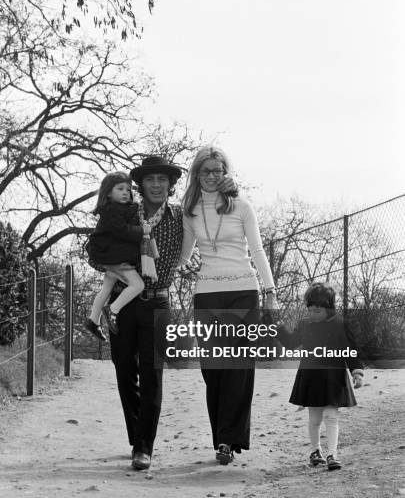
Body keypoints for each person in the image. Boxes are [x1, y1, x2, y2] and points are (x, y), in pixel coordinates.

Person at [108, 156, 237, 471]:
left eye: (161, 180)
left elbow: (215, 212)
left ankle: (143, 447)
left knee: (152, 375)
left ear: (170, 185)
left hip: (158, 303)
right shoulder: (123, 213)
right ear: (141, 185)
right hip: (123, 301)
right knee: (125, 371)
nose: (155, 185)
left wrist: (232, 188)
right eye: (150, 180)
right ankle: (136, 433)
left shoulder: (182, 216)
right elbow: (97, 247)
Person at [180, 146, 279, 465]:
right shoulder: (190, 210)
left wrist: (270, 291)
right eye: (205, 171)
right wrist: (163, 270)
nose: (211, 176)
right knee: (214, 370)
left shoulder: (242, 207)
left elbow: (258, 251)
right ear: (197, 174)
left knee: (238, 367)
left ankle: (227, 440)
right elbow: (183, 256)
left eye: (217, 171)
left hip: (244, 292)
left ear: (225, 172)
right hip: (207, 294)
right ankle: (223, 434)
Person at [276, 283, 364, 471]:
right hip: (311, 377)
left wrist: (356, 372)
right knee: (315, 418)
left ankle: (333, 455)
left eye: (318, 310)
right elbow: (291, 343)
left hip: (334, 378)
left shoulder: (341, 324)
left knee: (331, 416)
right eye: (310, 309)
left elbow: (350, 350)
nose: (312, 314)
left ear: (329, 309)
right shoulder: (304, 325)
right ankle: (316, 452)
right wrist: (279, 327)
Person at [85, 172, 147, 341]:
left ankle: (93, 320)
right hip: (113, 257)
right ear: (108, 193)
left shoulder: (120, 209)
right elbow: (123, 231)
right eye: (120, 189)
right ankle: (113, 309)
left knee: (107, 287)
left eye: (128, 189)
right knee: (138, 284)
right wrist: (142, 231)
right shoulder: (111, 210)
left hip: (109, 256)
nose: (126, 192)